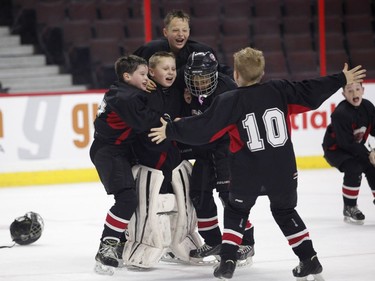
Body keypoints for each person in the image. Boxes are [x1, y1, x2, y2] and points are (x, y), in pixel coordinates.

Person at [148, 47, 366, 280]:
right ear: (261, 73)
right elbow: (311, 90)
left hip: (247, 171)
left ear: (237, 75)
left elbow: (205, 127)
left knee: (236, 211)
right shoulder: (279, 90)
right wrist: (341, 78)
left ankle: (228, 262)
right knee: (285, 211)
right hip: (282, 170)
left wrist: (171, 129)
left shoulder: (230, 100)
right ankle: (309, 258)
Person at [89, 55, 161, 275]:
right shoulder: (125, 98)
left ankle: (118, 243)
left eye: (147, 73)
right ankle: (107, 247)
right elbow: (148, 122)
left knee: (133, 198)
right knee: (127, 198)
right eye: (142, 74)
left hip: (119, 150)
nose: (147, 78)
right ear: (127, 76)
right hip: (109, 152)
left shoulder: (123, 91)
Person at [182, 51, 255, 265]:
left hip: (228, 152)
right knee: (199, 194)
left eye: (204, 77)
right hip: (206, 152)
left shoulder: (229, 90)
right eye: (195, 77)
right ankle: (214, 240)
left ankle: (246, 243)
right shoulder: (190, 91)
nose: (199, 82)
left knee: (230, 198)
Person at [322, 82, 375, 225]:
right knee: (354, 168)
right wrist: (369, 154)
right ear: (343, 94)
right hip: (335, 150)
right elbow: (346, 143)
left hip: (354, 148)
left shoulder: (368, 107)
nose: (354, 93)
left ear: (363, 90)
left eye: (357, 89)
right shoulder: (341, 114)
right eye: (349, 91)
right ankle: (349, 206)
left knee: (372, 167)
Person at [133, 9, 232, 76]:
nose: (180, 34)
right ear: (165, 32)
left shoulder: (201, 51)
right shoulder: (150, 49)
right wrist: (143, 79)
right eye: (175, 30)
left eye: (184, 30)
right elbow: (128, 68)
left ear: (189, 31)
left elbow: (219, 71)